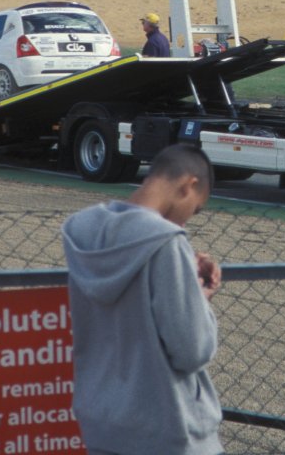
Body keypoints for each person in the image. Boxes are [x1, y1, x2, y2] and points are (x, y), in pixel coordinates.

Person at [61, 144, 223, 455]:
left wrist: (188, 284)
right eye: (195, 208)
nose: (187, 220)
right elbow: (192, 350)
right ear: (188, 186)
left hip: (102, 426)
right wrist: (200, 302)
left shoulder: (85, 232)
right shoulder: (166, 242)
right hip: (167, 431)